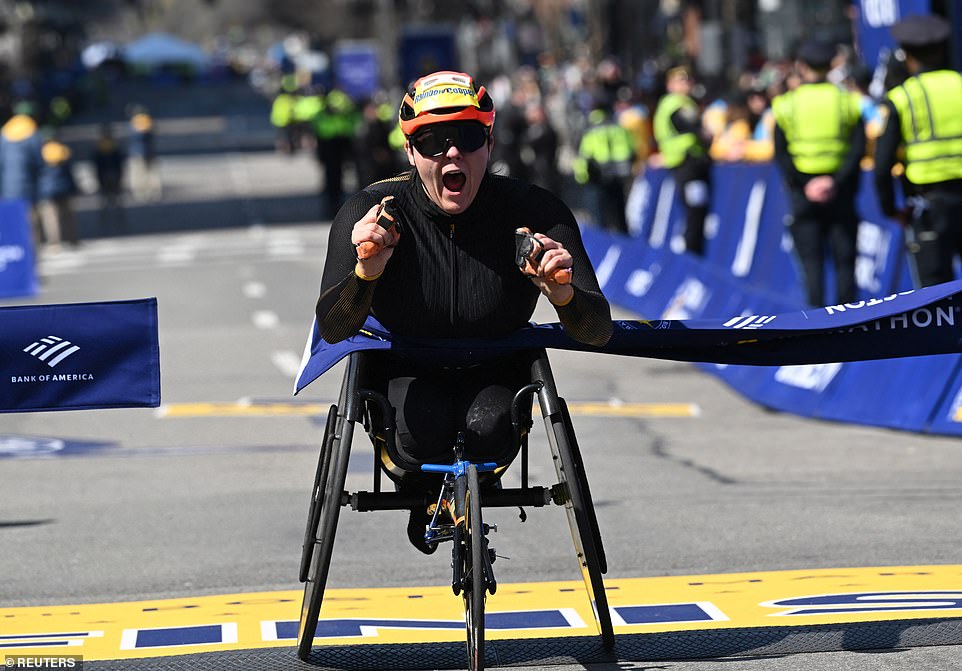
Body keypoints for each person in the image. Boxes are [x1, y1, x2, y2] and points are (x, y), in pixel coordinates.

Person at [314, 70, 612, 553]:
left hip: (496, 368)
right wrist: (367, 272)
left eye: (468, 137)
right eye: (433, 141)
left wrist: (562, 295)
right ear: (410, 152)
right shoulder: (372, 208)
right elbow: (334, 327)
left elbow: (597, 330)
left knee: (487, 429)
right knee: (420, 434)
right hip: (403, 368)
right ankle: (424, 496)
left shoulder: (535, 209)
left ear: (489, 143)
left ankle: (464, 496)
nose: (452, 153)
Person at [771, 41, 865, 307]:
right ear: (831, 66)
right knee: (845, 261)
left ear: (801, 67)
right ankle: (849, 326)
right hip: (841, 192)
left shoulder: (785, 105)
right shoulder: (847, 102)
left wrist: (807, 184)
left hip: (803, 194)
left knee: (812, 264)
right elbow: (858, 149)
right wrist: (833, 182)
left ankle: (815, 326)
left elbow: (781, 154)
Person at [873, 14, 962, 288]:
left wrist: (891, 209)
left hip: (929, 205)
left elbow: (882, 163)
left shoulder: (903, 97)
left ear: (907, 55)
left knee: (936, 292)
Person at [652, 66, 713, 255]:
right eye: (681, 80)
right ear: (670, 84)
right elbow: (695, 128)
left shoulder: (675, 103)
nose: (687, 84)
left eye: (688, 80)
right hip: (689, 166)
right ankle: (693, 256)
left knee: (695, 212)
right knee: (695, 213)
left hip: (686, 165)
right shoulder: (677, 104)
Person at [573, 101, 636, 234]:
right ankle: (624, 242)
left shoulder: (589, 129)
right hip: (619, 176)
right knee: (619, 214)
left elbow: (584, 156)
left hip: (598, 177)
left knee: (599, 216)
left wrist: (583, 178)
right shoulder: (618, 126)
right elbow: (632, 150)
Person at [0, 100, 44, 248]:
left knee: (14, 221)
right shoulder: (32, 132)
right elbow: (39, 161)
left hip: (8, 187)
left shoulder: (5, 133)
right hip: (28, 186)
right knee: (31, 221)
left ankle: (18, 250)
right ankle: (33, 251)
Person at [37, 128, 79, 251]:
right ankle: (72, 239)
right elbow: (70, 172)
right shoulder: (64, 151)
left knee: (50, 218)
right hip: (64, 187)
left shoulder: (41, 153)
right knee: (68, 215)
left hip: (46, 189)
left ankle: (55, 242)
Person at [92, 123, 127, 235]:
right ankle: (120, 221)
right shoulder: (114, 146)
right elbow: (120, 162)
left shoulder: (99, 146)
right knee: (117, 200)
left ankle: (104, 222)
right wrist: (121, 175)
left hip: (104, 176)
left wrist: (97, 177)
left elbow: (96, 164)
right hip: (114, 175)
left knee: (105, 201)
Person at [126, 106, 162, 202]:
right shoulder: (148, 122)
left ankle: (140, 193)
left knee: (138, 174)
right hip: (150, 151)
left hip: (137, 153)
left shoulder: (134, 123)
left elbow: (133, 138)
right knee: (152, 173)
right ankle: (155, 192)